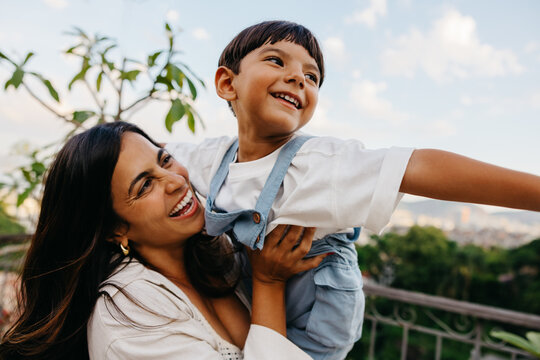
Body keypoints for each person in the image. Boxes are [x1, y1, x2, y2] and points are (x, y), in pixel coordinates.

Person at [166, 20, 540, 360]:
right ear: (227, 83)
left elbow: (421, 167)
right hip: (252, 310)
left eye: (312, 76)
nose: (299, 77)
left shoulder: (321, 163)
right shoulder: (211, 159)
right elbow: (142, 152)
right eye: (277, 61)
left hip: (314, 334)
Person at [0, 121, 328, 360]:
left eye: (164, 160)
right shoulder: (127, 313)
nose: (174, 181)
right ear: (115, 230)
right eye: (144, 186)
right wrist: (269, 282)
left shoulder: (215, 255)